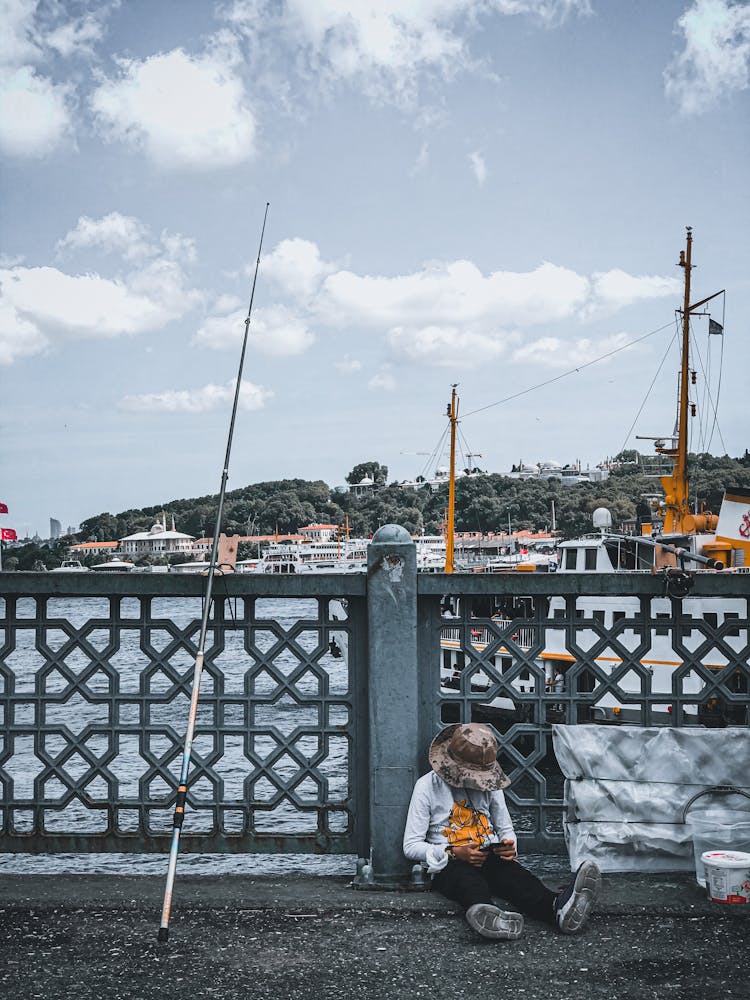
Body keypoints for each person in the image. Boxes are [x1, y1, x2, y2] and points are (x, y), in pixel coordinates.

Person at [403, 722, 601, 940]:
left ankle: (557, 908)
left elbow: (505, 829)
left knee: (517, 879)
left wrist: (508, 847)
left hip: (489, 854)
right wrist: (453, 852)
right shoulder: (427, 786)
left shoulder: (490, 785)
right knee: (467, 882)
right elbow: (411, 846)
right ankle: (485, 914)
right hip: (450, 862)